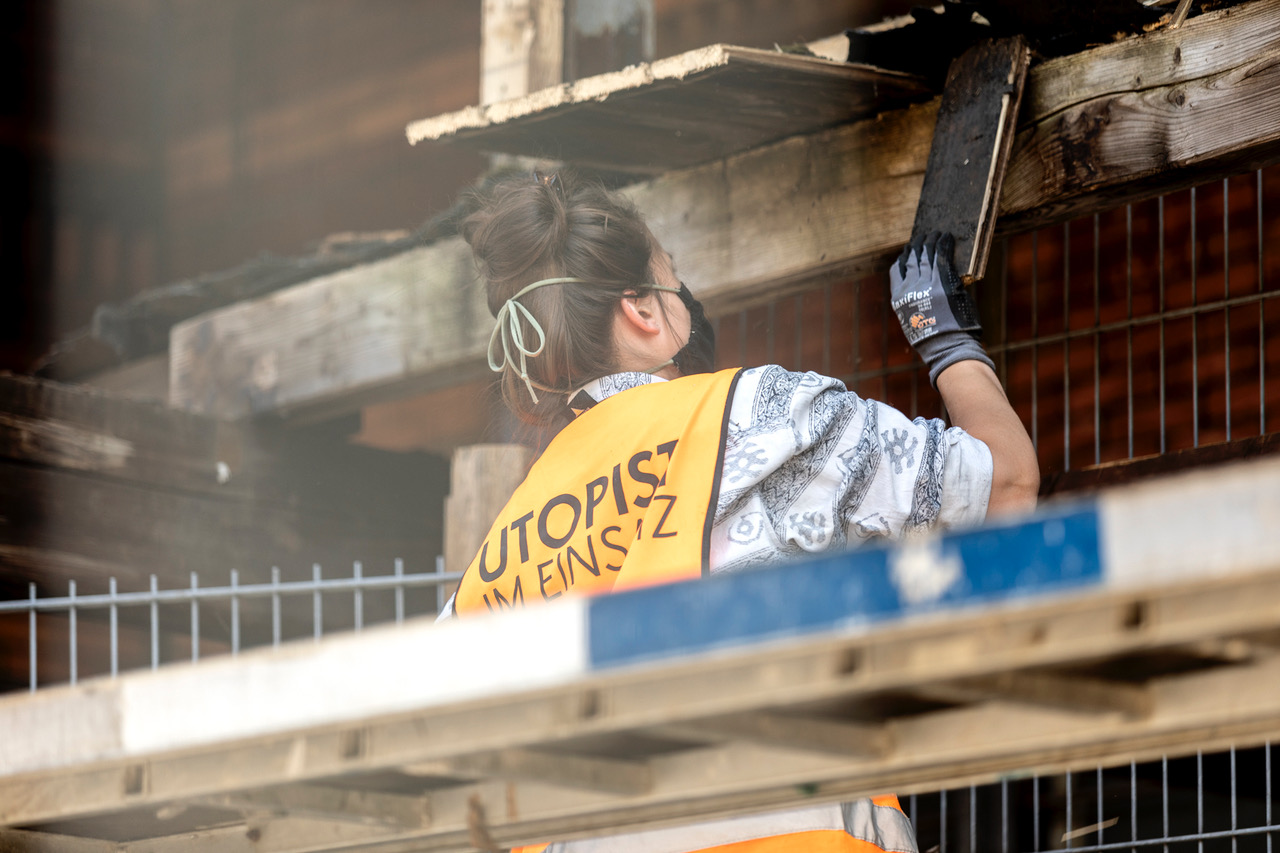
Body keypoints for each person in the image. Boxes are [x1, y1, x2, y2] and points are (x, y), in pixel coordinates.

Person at [443, 170, 1040, 853]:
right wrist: (946, 341)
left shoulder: (485, 574)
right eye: (674, 278)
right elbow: (1005, 487)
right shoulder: (757, 417)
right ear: (642, 310)